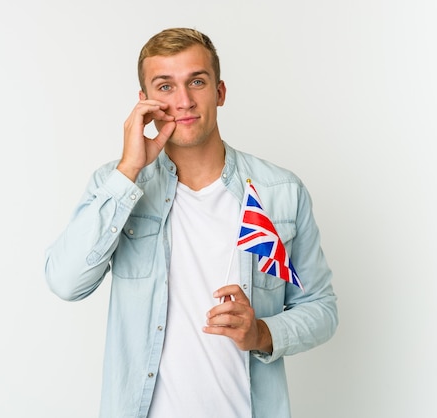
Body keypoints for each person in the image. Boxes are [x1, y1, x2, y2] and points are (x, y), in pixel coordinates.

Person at [45, 27, 338, 418]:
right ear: (144, 101)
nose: (183, 101)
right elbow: (65, 282)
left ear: (219, 92)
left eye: (196, 82)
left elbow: (321, 309)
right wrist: (130, 168)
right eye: (165, 86)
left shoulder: (279, 191)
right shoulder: (114, 184)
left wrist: (262, 333)